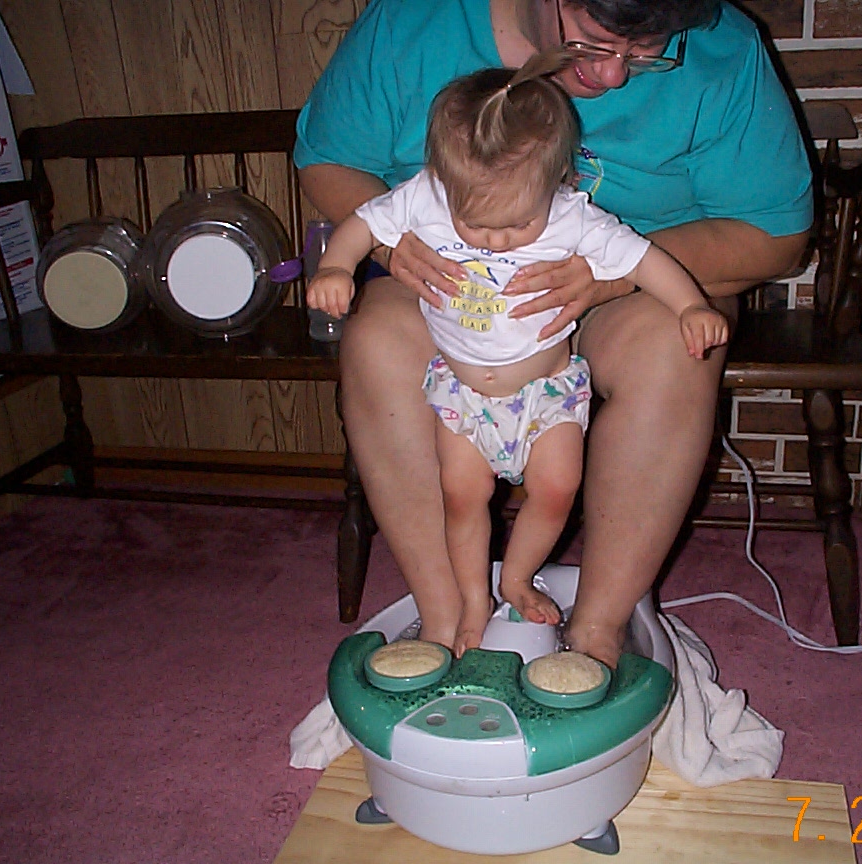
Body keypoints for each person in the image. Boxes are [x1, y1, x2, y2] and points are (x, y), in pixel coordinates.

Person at [294, 0, 814, 666]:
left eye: (647, 52)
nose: (615, 77)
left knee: (673, 353)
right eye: (594, 42)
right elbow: (328, 159)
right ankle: (445, 613)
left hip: (638, 281)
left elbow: (775, 235)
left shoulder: (726, 49)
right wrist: (392, 251)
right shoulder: (411, 21)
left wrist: (613, 275)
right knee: (375, 341)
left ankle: (597, 631)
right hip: (454, 294)